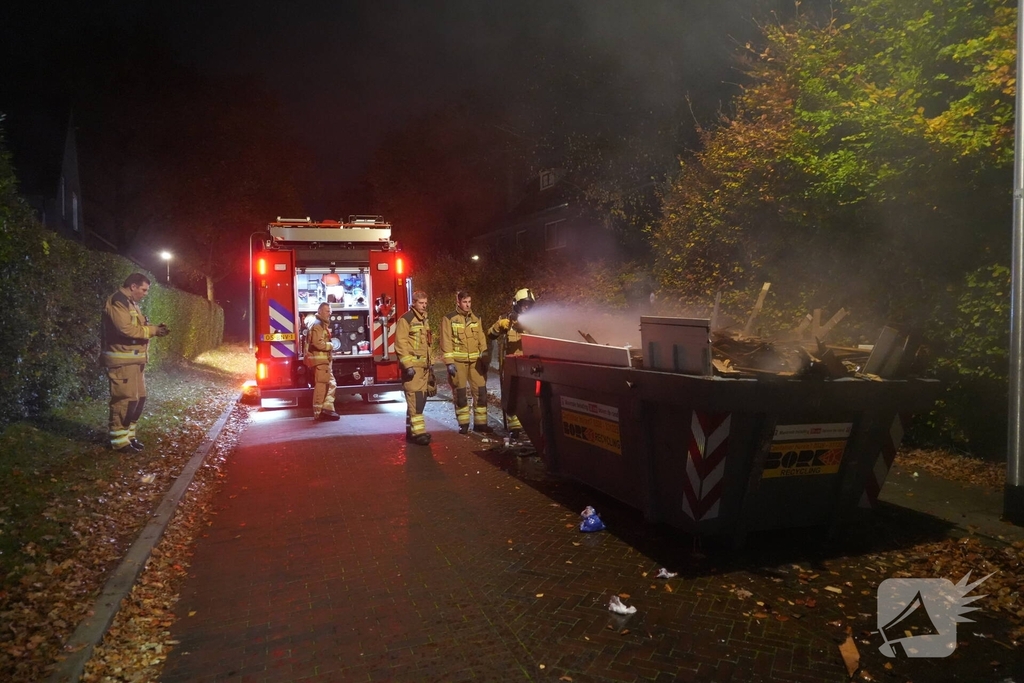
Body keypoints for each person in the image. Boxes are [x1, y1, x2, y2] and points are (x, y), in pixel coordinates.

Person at [100, 273, 170, 452]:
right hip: (122, 360)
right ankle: (119, 441)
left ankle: (129, 437)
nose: (145, 293)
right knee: (125, 399)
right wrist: (153, 330)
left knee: (138, 398)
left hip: (134, 360)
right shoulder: (118, 301)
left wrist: (155, 329)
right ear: (133, 286)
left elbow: (137, 328)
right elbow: (125, 329)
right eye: (144, 290)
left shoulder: (130, 303)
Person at [487, 287, 536, 440]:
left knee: (530, 397)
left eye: (529, 305)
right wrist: (499, 325)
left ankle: (531, 426)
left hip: (529, 365)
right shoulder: (506, 319)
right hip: (511, 366)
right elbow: (490, 334)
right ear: (516, 303)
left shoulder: (535, 320)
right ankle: (515, 428)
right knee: (511, 396)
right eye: (524, 304)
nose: (526, 307)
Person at [441, 290, 490, 434]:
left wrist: (484, 356)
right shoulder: (449, 318)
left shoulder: (476, 318)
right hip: (458, 362)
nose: (468, 305)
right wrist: (449, 362)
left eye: (469, 302)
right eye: (464, 302)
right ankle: (463, 424)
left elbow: (481, 339)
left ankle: (481, 424)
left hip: (475, 362)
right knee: (460, 393)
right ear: (458, 302)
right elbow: (446, 340)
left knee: (481, 391)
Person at [395, 290, 432, 445]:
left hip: (423, 367)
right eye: (421, 303)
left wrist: (430, 365)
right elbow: (400, 344)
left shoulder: (424, 319)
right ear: (414, 303)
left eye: (425, 303)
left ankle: (411, 431)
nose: (424, 306)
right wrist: (408, 365)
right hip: (413, 368)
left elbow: (427, 344)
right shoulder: (406, 320)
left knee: (420, 400)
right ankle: (418, 433)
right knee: (415, 400)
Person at [307, 303, 341, 421]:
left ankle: (327, 408)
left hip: (323, 361)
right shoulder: (318, 325)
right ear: (320, 311)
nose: (329, 313)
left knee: (331, 384)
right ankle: (319, 413)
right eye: (327, 311)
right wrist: (331, 345)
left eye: (330, 311)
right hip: (320, 361)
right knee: (321, 386)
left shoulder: (320, 323)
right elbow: (317, 343)